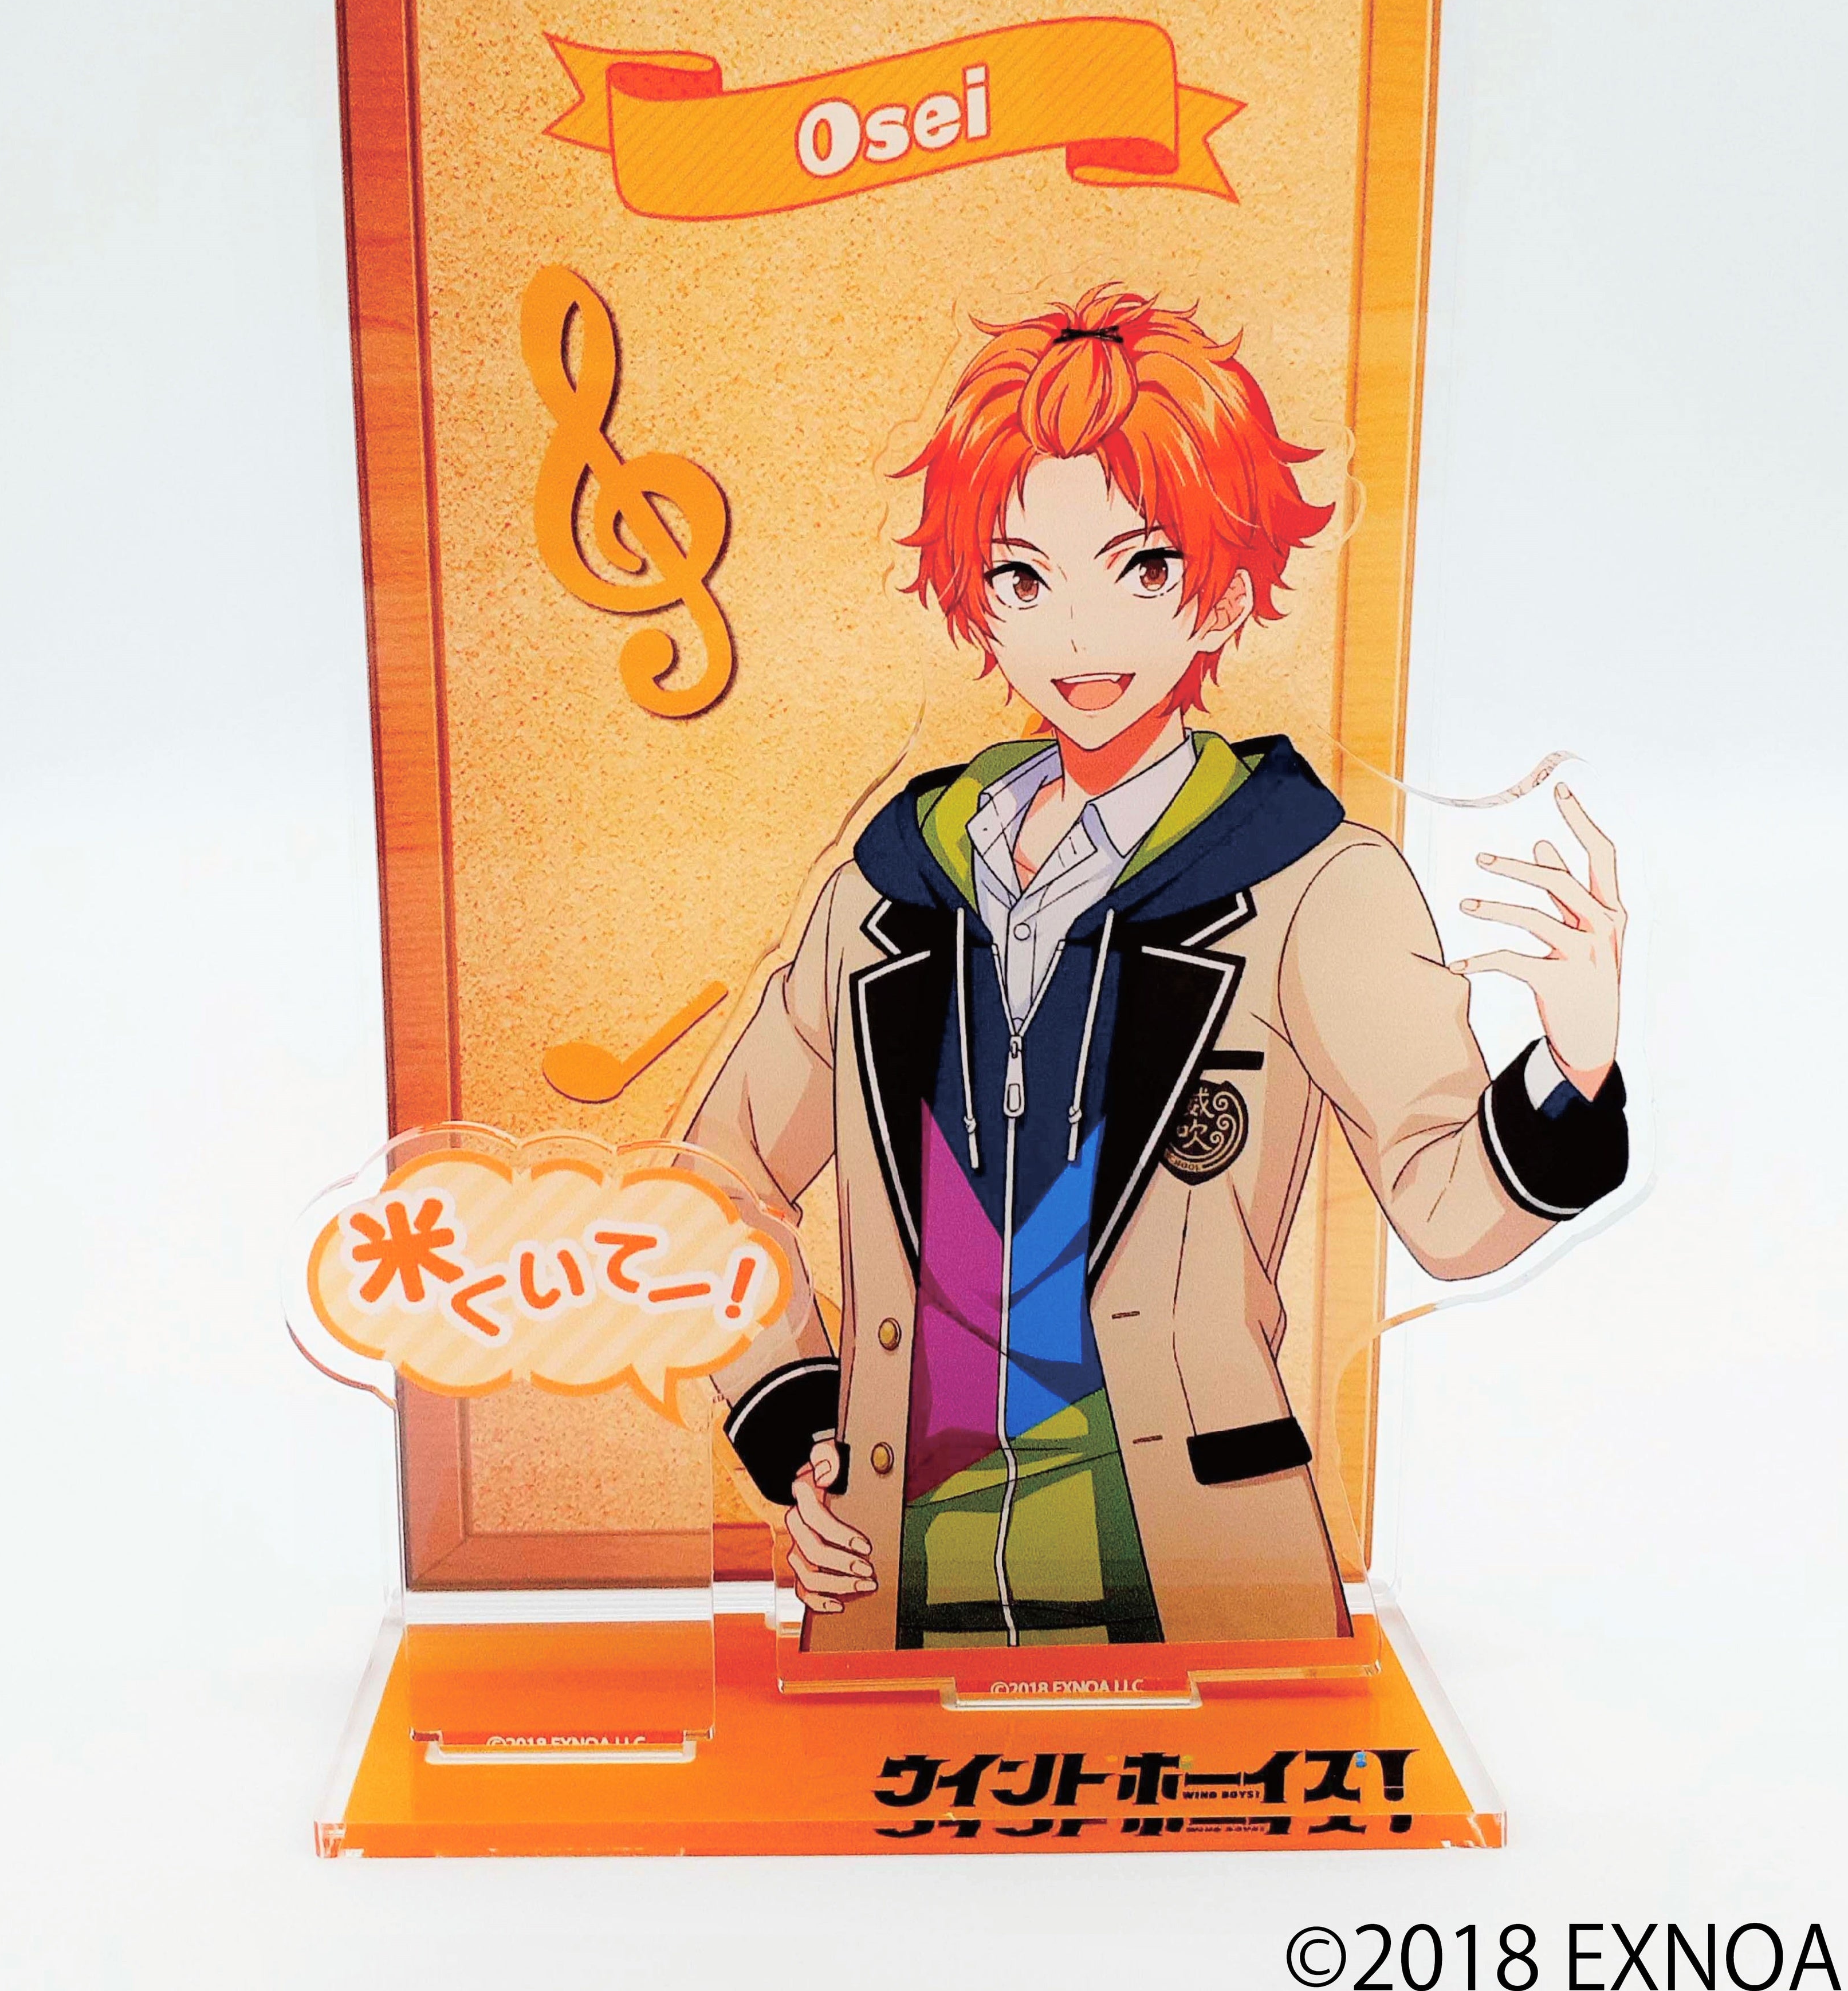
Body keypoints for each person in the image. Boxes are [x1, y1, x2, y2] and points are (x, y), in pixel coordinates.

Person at [687, 284, 1629, 1651]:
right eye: (1023, 578)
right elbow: (718, 1178)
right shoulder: (888, 893)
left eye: (1141, 567)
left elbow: (1446, 1207)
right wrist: (796, 1425)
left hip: (1191, 1572)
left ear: (1227, 590)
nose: (1080, 634)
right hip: (898, 1571)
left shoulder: (1309, 883)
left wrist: (1573, 1071)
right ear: (977, 604)